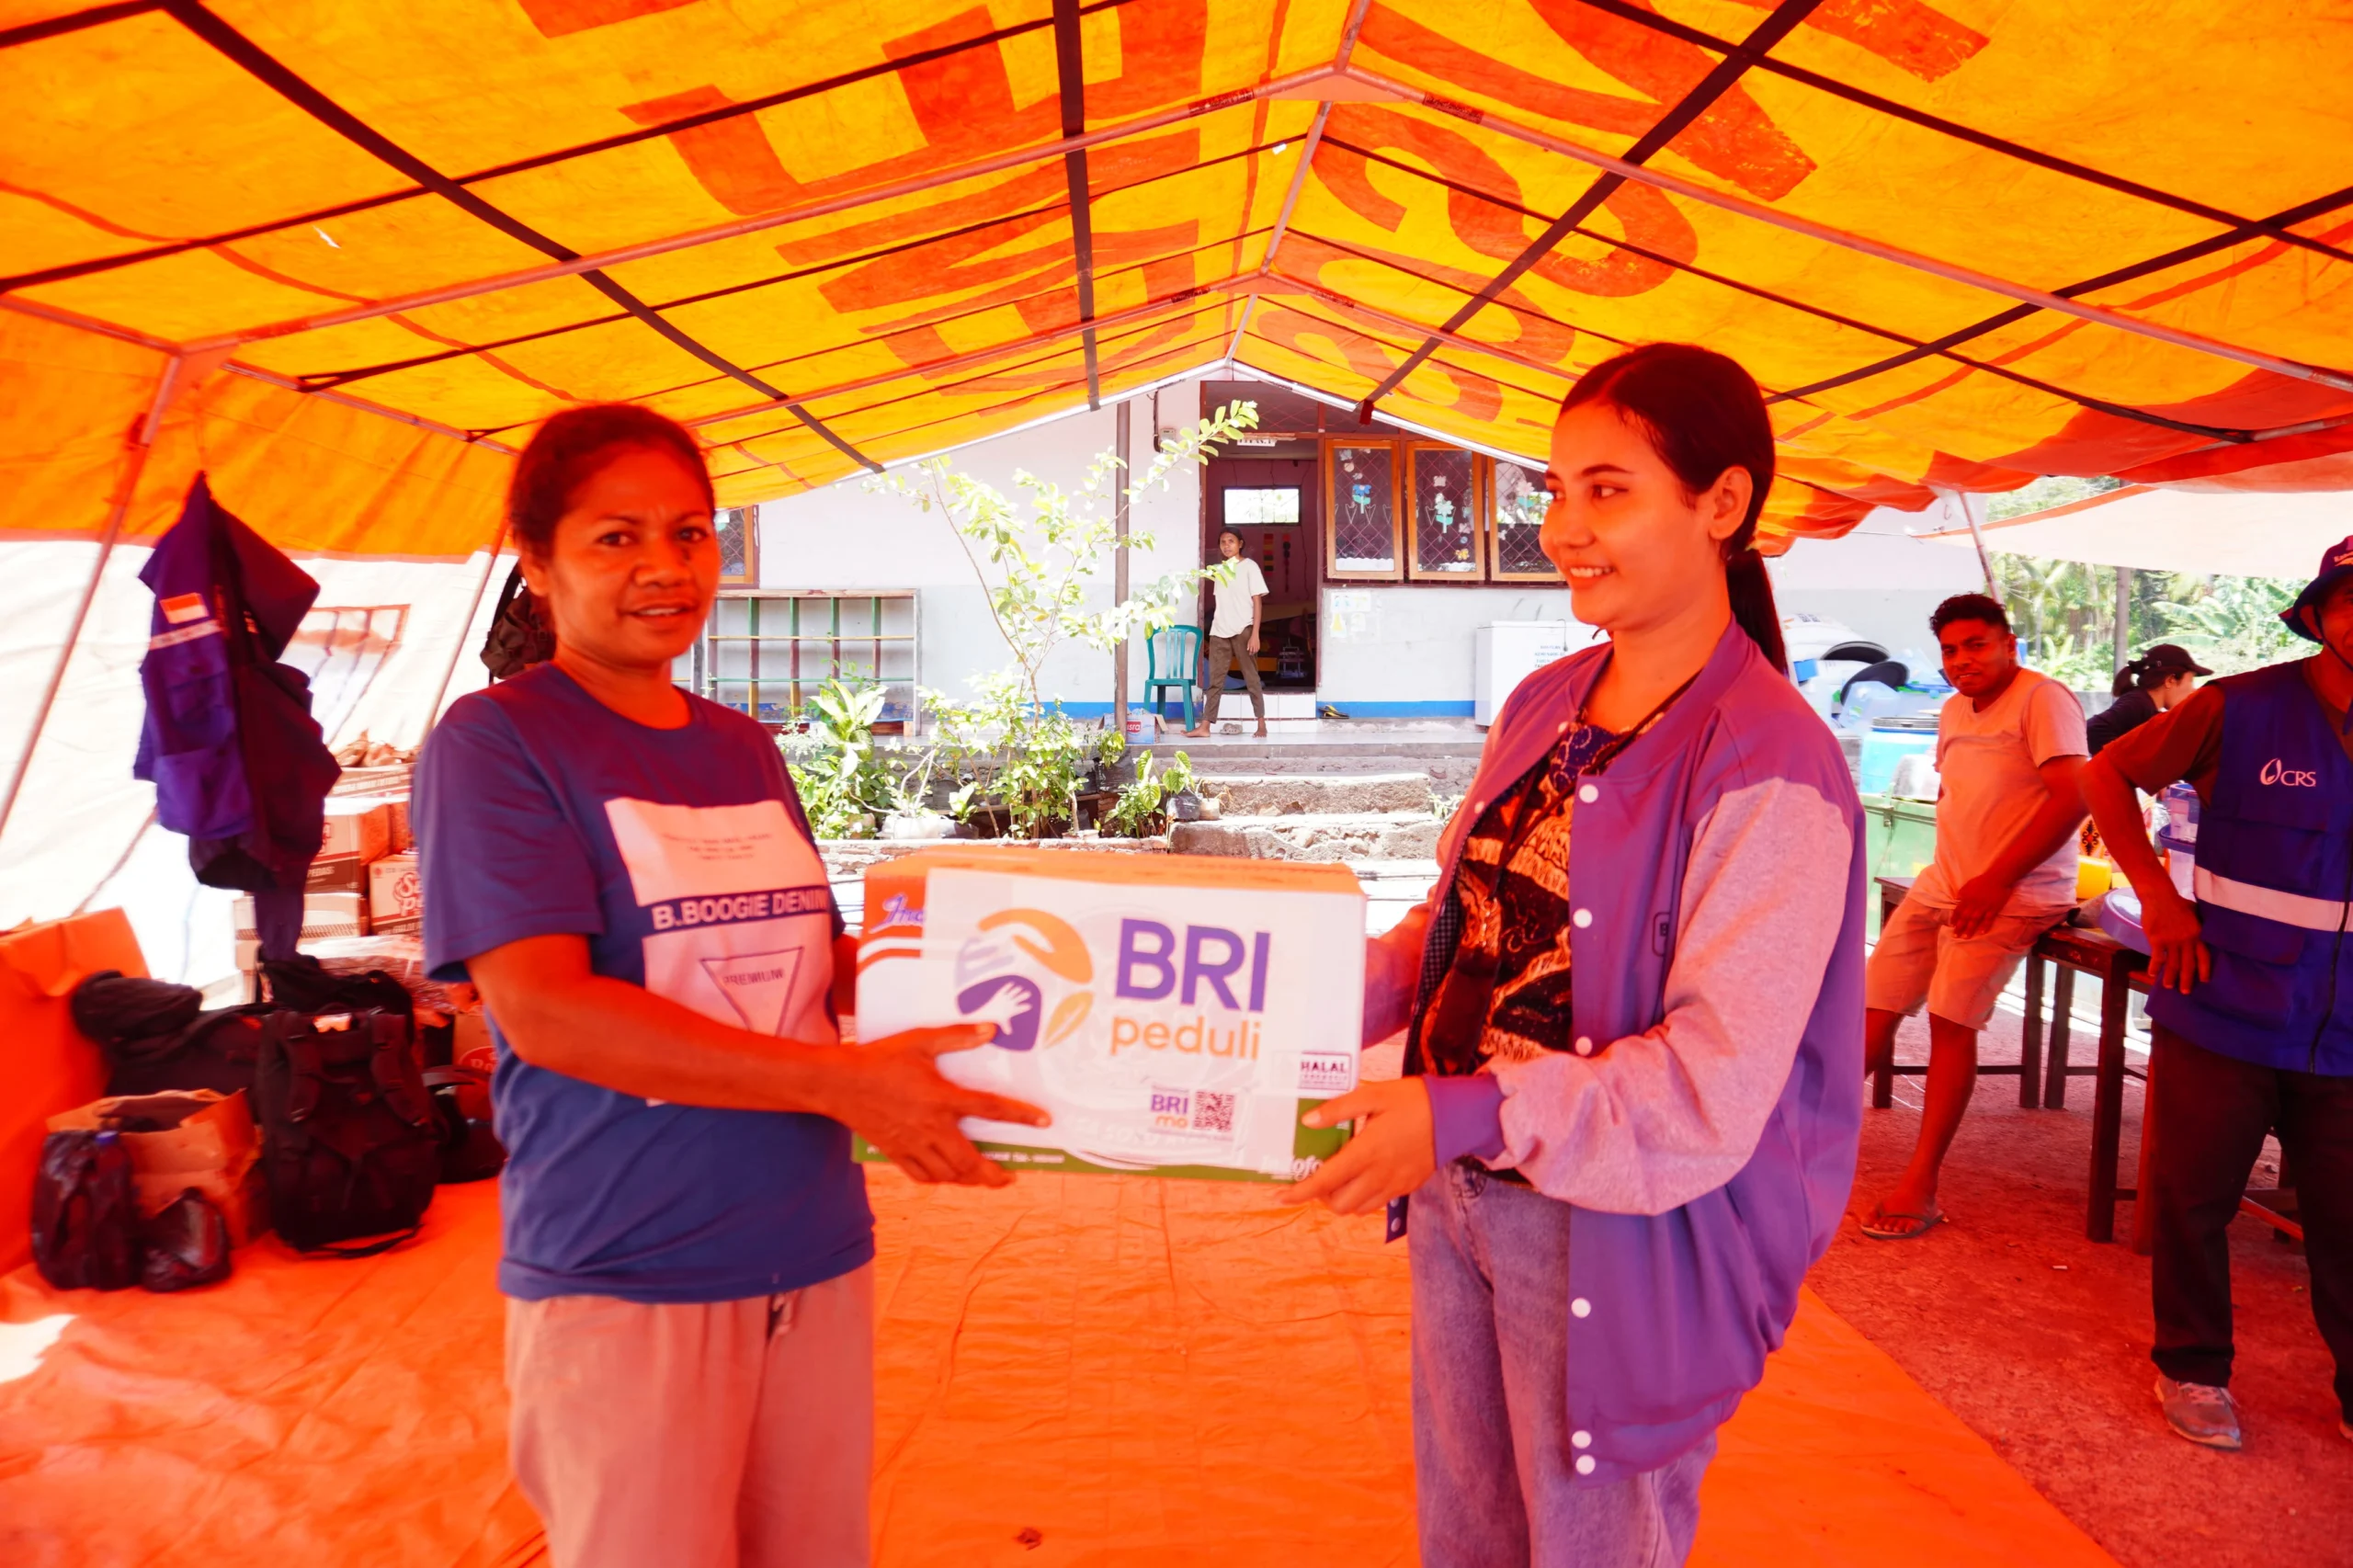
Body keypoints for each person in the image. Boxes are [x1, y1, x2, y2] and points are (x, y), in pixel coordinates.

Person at [414, 403, 1048, 1568]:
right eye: (617, 538)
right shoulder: (495, 743)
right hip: (627, 1260)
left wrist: (1023, 978)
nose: (664, 566)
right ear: (537, 562)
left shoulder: (741, 747)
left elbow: (822, 958)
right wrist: (845, 1085)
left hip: (810, 1244)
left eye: (691, 533)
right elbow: (545, 1010)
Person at [1283, 345, 1864, 1568]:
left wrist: (1466, 1109)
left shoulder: (1771, 766)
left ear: (1722, 502)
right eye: (1554, 490)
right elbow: (1460, 924)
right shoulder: (1546, 702)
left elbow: (1710, 1088)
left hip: (1620, 1231)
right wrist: (1283, 990)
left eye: (1608, 489)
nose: (1563, 527)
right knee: (1472, 1530)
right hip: (1462, 1194)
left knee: (1594, 1544)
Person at [2079, 537, 2353, 1453]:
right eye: (2349, 598)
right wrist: (2158, 903)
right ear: (2316, 614)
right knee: (2194, 1200)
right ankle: (2191, 1367)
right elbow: (2105, 773)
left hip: (2346, 1030)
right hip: (2223, 1002)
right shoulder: (2237, 706)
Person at [1859, 595, 2087, 1240]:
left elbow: (2076, 795)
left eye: (1976, 645)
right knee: (1872, 1008)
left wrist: (1997, 877)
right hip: (1945, 882)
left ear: (2008, 642)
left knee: (1949, 1021)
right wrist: (1963, 873)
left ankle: (1921, 1184)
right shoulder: (1956, 707)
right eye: (1951, 650)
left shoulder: (2044, 699)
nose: (1963, 661)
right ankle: (1801, 1144)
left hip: (2014, 893)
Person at [1188, 526, 1267, 737]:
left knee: (1251, 678)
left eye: (1231, 541)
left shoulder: (1250, 567)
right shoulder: (1218, 570)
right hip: (1219, 631)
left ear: (1240, 543)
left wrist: (1255, 633)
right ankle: (1205, 727)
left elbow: (1257, 601)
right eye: (1223, 542)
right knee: (1215, 681)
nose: (1227, 545)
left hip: (1243, 630)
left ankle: (1261, 724)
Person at [2086, 642, 2211, 755]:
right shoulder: (2138, 704)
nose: (2193, 690)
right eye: (2190, 681)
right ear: (2170, 680)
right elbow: (2093, 728)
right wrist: (2119, 764)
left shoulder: (2145, 705)